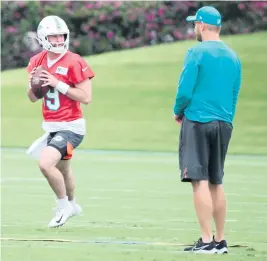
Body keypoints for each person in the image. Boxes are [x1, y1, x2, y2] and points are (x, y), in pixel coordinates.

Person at [173, 6, 241, 254]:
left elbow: (185, 89)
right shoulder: (233, 56)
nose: (194, 29)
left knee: (198, 180)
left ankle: (205, 240)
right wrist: (227, 119)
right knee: (216, 181)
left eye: (195, 25)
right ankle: (221, 240)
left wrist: (178, 110)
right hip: (224, 123)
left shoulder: (196, 52)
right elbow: (234, 93)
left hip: (198, 121)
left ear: (201, 26)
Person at [26, 15, 95, 228]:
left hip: (71, 127)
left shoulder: (74, 61)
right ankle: (73, 204)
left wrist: (57, 83)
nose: (57, 40)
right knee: (63, 170)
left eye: (60, 36)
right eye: (53, 36)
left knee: (46, 164)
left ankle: (63, 205)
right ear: (43, 38)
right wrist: (35, 87)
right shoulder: (37, 61)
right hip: (52, 127)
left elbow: (86, 97)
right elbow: (31, 97)